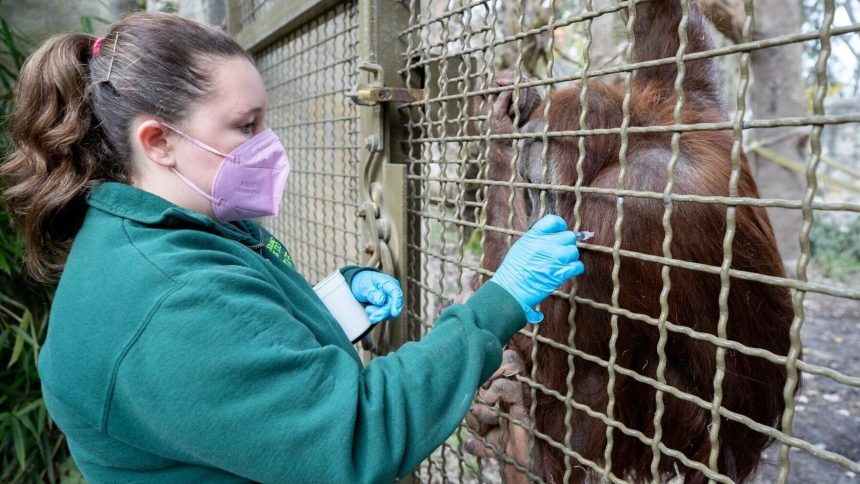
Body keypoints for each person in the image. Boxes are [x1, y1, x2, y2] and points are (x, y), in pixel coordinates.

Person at [1, 11, 584, 483]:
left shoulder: (160, 234)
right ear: (158, 142)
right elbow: (357, 436)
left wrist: (331, 305)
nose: (270, 144)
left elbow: (224, 373)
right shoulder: (169, 298)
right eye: (246, 125)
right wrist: (500, 300)